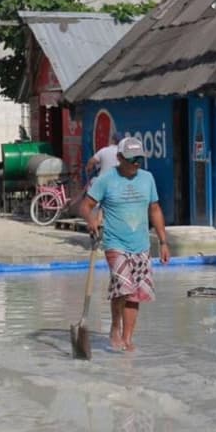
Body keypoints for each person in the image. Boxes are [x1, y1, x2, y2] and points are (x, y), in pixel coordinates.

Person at [80, 136, 171, 352]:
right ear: (119, 158)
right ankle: (114, 326)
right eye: (132, 159)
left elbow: (155, 209)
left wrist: (163, 241)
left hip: (141, 244)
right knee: (123, 288)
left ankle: (127, 337)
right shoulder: (106, 180)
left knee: (135, 294)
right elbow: (86, 205)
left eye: (139, 158)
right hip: (115, 242)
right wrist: (91, 219)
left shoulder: (147, 178)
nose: (136, 163)